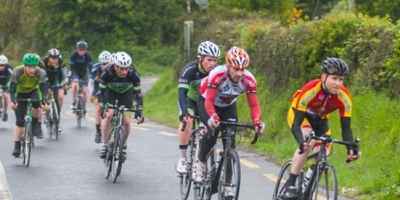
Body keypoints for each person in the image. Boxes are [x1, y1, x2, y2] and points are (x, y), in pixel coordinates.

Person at [282, 57, 360, 199]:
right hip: (299, 115)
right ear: (324, 77)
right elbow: (296, 125)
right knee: (308, 141)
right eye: (334, 78)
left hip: (320, 120)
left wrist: (351, 148)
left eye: (341, 79)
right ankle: (291, 184)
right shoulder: (310, 89)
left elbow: (346, 128)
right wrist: (302, 141)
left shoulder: (344, 97)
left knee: (324, 152)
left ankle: (309, 179)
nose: (338, 83)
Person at [192, 46, 265, 196]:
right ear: (228, 66)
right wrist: (212, 115)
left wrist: (257, 121)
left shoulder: (249, 79)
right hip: (207, 102)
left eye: (243, 69)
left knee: (230, 143)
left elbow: (254, 104)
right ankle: (199, 163)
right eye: (236, 69)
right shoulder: (217, 75)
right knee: (213, 130)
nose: (239, 73)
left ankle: (227, 184)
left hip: (228, 106)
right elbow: (209, 100)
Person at [176, 41, 221, 174]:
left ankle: (202, 159)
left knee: (209, 127)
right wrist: (183, 112)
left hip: (205, 102)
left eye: (215, 60)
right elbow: (182, 93)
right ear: (200, 58)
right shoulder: (190, 69)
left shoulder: (217, 72)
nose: (212, 64)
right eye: (209, 60)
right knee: (187, 120)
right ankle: (182, 159)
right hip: (191, 100)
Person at [97, 51, 144, 162]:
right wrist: (103, 106)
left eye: (126, 68)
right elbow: (100, 92)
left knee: (127, 122)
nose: (124, 71)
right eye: (122, 69)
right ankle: (104, 144)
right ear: (115, 66)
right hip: (110, 93)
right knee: (109, 115)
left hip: (126, 93)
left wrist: (139, 111)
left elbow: (138, 94)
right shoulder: (107, 72)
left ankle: (122, 145)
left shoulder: (133, 74)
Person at [11, 53, 47, 157]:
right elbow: (12, 89)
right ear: (25, 66)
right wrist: (13, 100)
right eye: (29, 67)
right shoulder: (17, 72)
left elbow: (43, 89)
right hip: (20, 92)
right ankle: (17, 146)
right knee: (19, 122)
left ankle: (35, 124)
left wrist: (44, 101)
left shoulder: (40, 72)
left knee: (37, 103)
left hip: (33, 91)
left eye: (34, 67)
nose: (32, 70)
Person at [40, 48, 69, 132]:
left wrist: (65, 84)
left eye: (56, 58)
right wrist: (46, 87)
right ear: (48, 58)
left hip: (56, 79)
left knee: (59, 97)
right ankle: (47, 106)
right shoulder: (43, 62)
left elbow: (65, 75)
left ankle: (57, 119)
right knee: (48, 92)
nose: (54, 61)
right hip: (45, 79)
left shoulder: (61, 62)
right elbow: (41, 76)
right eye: (52, 58)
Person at [89, 50, 112, 143]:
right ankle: (98, 131)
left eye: (107, 63)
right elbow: (90, 83)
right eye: (103, 64)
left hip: (109, 89)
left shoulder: (114, 69)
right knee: (98, 108)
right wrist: (92, 94)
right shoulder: (95, 68)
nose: (105, 66)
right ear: (100, 63)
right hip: (98, 89)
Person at [69, 40, 93, 115]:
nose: (82, 52)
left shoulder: (88, 55)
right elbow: (71, 67)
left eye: (83, 50)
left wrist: (92, 76)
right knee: (75, 85)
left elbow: (90, 68)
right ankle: (73, 101)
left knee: (85, 91)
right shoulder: (73, 55)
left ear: (86, 50)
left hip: (84, 73)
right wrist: (71, 78)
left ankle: (84, 107)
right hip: (75, 72)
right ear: (77, 49)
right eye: (80, 50)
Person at [0, 55, 13, 121]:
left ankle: (5, 111)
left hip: (6, 83)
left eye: (3, 65)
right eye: (0, 65)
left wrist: (9, 84)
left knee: (5, 96)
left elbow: (12, 76)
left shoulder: (9, 68)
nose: (1, 67)